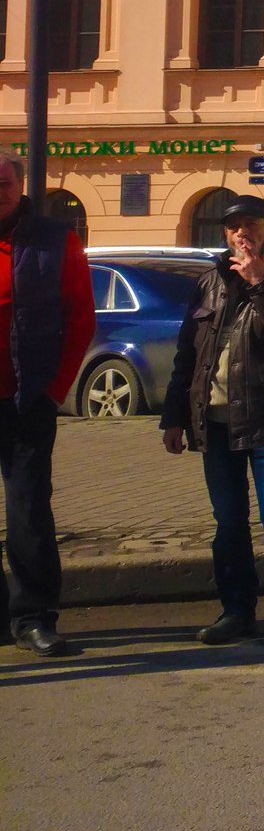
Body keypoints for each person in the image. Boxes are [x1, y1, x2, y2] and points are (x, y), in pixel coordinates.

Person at [163, 194, 264, 645]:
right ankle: (237, 611)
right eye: (234, 227)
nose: (242, 233)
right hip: (214, 421)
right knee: (228, 522)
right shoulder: (208, 281)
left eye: (251, 225)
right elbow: (187, 353)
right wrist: (173, 417)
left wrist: (259, 282)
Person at [0, 155, 95, 659]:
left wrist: (55, 388)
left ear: (20, 186)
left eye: (5, 183)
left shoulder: (56, 239)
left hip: (26, 399)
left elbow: (81, 318)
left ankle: (34, 618)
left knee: (29, 512)